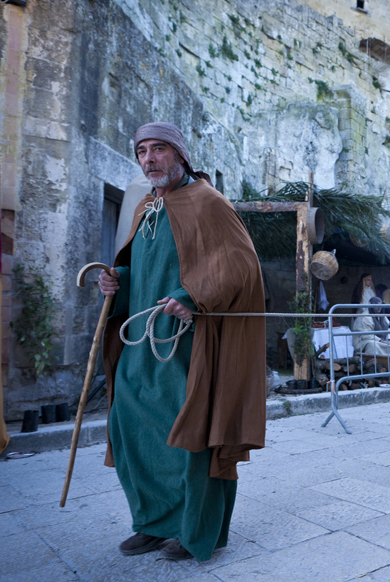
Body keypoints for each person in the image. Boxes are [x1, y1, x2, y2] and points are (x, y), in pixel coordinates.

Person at [98, 122, 266, 561]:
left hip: (189, 345)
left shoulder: (209, 202)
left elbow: (241, 264)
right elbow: (144, 270)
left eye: (158, 149)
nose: (149, 159)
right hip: (141, 345)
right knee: (129, 428)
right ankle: (153, 522)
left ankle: (195, 530)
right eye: (142, 151)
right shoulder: (147, 207)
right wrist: (118, 280)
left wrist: (192, 295)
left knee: (191, 436)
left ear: (180, 155)